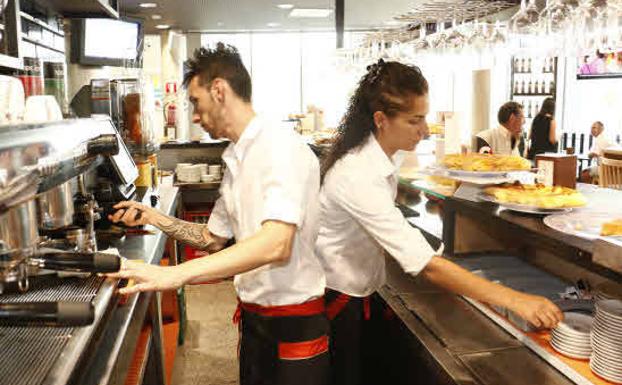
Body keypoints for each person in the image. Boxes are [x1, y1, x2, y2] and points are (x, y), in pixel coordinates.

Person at [317, 59, 563, 385]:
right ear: (381, 120)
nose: (424, 129)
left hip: (360, 290)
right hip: (338, 299)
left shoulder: (381, 155)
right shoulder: (357, 173)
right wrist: (514, 299)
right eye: (414, 120)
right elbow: (427, 266)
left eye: (424, 118)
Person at [107, 44, 329, 385]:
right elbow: (211, 239)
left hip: (294, 323)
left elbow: (276, 245)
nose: (194, 115)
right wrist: (152, 217)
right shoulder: (236, 156)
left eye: (196, 102)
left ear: (219, 90)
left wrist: (176, 274)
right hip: (254, 320)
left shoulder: (280, 148)